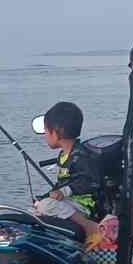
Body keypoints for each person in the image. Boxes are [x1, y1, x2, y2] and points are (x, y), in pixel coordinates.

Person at [34, 101, 99, 238]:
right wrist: (47, 196)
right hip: (70, 203)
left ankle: (88, 225)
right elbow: (62, 183)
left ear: (57, 132)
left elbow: (89, 181)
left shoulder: (80, 156)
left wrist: (64, 191)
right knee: (38, 207)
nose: (45, 135)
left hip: (83, 205)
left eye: (46, 131)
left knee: (47, 206)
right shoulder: (63, 156)